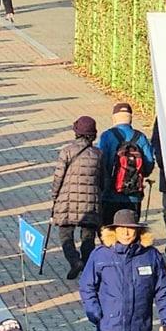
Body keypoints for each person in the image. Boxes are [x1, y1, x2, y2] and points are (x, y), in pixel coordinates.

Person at [52, 116, 105, 279]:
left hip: (67, 201)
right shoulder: (98, 154)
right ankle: (87, 266)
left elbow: (58, 177)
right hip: (90, 203)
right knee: (88, 237)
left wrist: (55, 197)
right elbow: (103, 180)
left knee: (65, 234)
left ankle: (74, 261)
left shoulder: (67, 151)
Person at [96, 102, 156, 224]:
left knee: (109, 233)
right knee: (130, 232)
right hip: (134, 195)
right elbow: (149, 163)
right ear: (131, 118)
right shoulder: (141, 137)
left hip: (110, 195)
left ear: (114, 118)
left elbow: (100, 164)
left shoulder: (107, 136)